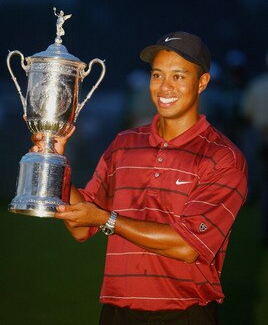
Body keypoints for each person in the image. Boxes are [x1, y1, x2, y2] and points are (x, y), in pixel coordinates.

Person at [32, 31, 248, 325]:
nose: (164, 87)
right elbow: (80, 227)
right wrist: (56, 158)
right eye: (157, 75)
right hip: (117, 310)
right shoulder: (123, 144)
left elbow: (187, 247)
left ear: (202, 83)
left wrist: (106, 219)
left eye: (178, 77)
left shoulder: (223, 158)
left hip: (186, 314)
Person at [240, 52, 268, 243]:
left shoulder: (257, 85)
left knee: (265, 186)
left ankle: (265, 233)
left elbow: (247, 115)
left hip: (262, 137)